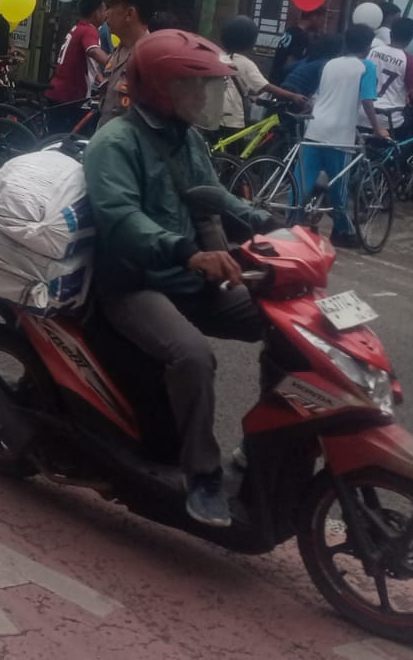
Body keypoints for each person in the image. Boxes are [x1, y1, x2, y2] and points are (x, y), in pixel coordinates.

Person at [82, 30, 274, 527]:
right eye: (196, 87)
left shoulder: (185, 136)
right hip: (134, 284)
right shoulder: (114, 143)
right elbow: (122, 221)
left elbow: (210, 195)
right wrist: (189, 254)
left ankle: (261, 448)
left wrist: (267, 222)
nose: (205, 98)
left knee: (287, 323)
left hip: (192, 274)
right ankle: (203, 476)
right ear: (161, 89)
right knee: (191, 355)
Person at [298, 23, 386, 249]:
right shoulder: (366, 67)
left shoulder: (330, 64)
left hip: (315, 129)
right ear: (367, 46)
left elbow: (321, 95)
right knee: (339, 188)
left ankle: (293, 222)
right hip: (339, 135)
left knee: (302, 181)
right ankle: (343, 232)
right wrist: (377, 128)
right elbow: (367, 101)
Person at [216, 16, 305, 132]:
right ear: (250, 41)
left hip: (214, 112)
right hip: (232, 118)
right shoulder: (246, 64)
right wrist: (293, 96)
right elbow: (265, 86)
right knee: (236, 149)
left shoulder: (219, 58)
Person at [45, 0, 111, 134]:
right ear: (97, 11)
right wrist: (116, 65)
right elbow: (93, 51)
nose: (106, 14)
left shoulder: (78, 28)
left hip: (59, 91)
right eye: (105, 9)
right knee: (73, 138)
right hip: (71, 95)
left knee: (57, 135)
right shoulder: (89, 30)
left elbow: (89, 64)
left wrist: (102, 80)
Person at [99, 0, 160, 121]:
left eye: (111, 7)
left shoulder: (149, 60)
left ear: (129, 14)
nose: (106, 13)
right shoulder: (118, 51)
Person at [269, 5, 325, 85]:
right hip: (284, 82)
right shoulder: (301, 37)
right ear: (314, 17)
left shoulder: (290, 31)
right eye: (321, 19)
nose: (321, 23)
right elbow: (291, 63)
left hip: (275, 77)